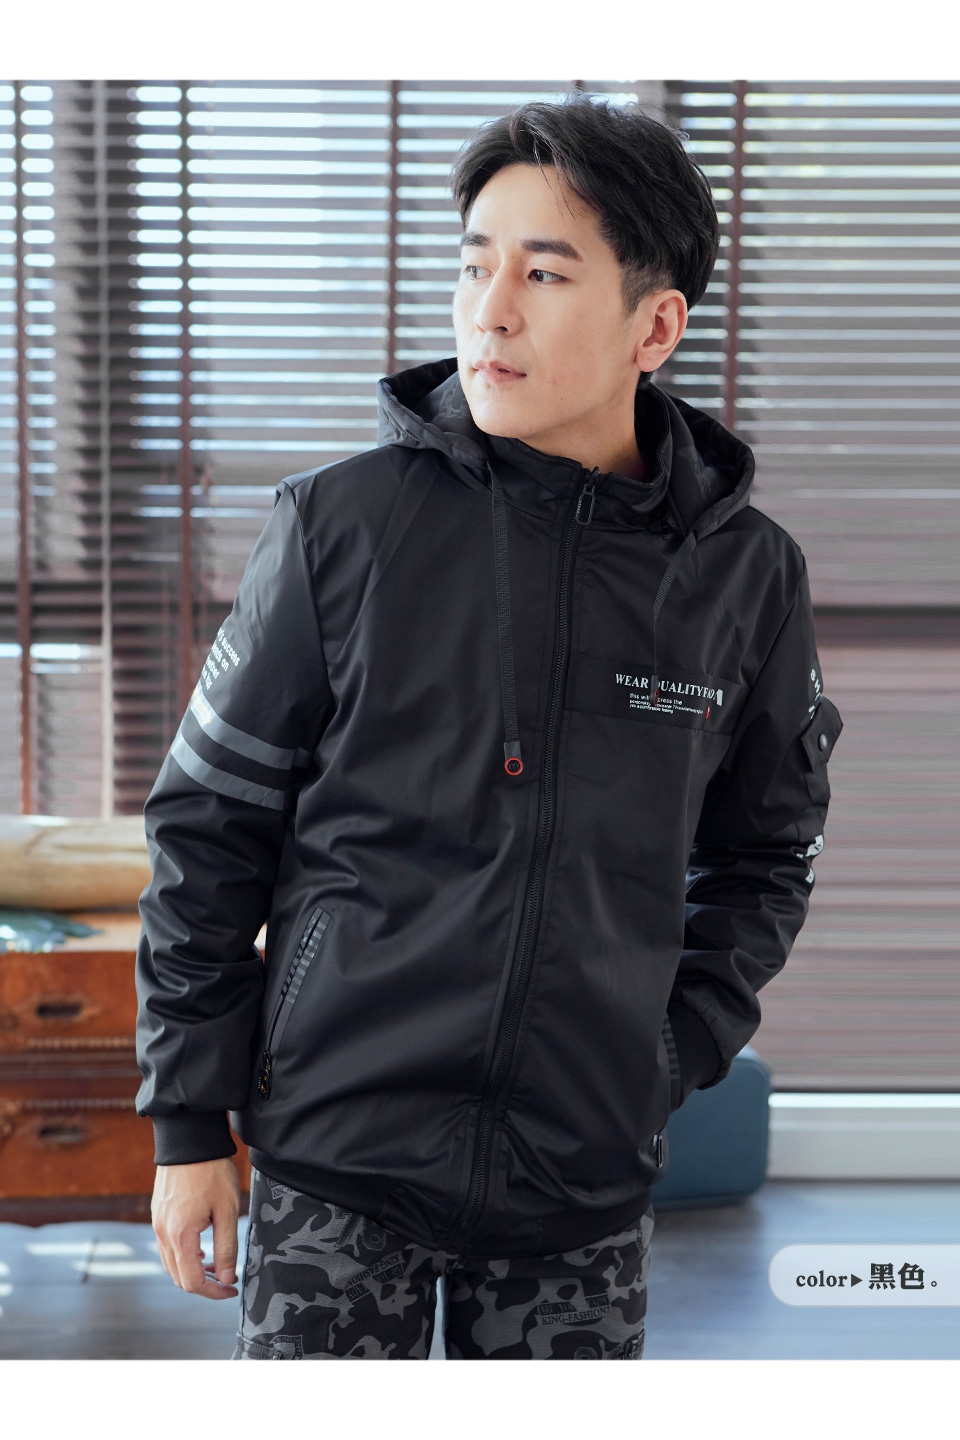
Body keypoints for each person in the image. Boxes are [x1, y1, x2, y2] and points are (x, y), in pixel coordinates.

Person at [136, 94, 842, 1360]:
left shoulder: (748, 579)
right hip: (336, 1165)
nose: (490, 309)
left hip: (580, 1189)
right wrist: (189, 1128)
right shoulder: (339, 528)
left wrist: (665, 1053)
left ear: (656, 326)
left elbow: (766, 858)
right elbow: (206, 831)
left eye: (545, 273)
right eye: (475, 266)